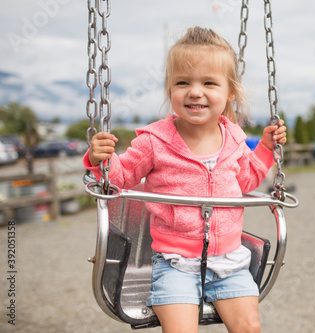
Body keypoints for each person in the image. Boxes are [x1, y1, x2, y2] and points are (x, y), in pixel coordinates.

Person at [84, 26, 286, 333]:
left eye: (208, 82)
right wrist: (102, 160)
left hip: (230, 262)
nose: (194, 91)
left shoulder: (234, 138)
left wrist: (266, 150)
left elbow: (244, 182)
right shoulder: (154, 141)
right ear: (169, 89)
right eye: (182, 82)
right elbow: (120, 179)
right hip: (174, 262)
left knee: (250, 327)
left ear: (230, 92)